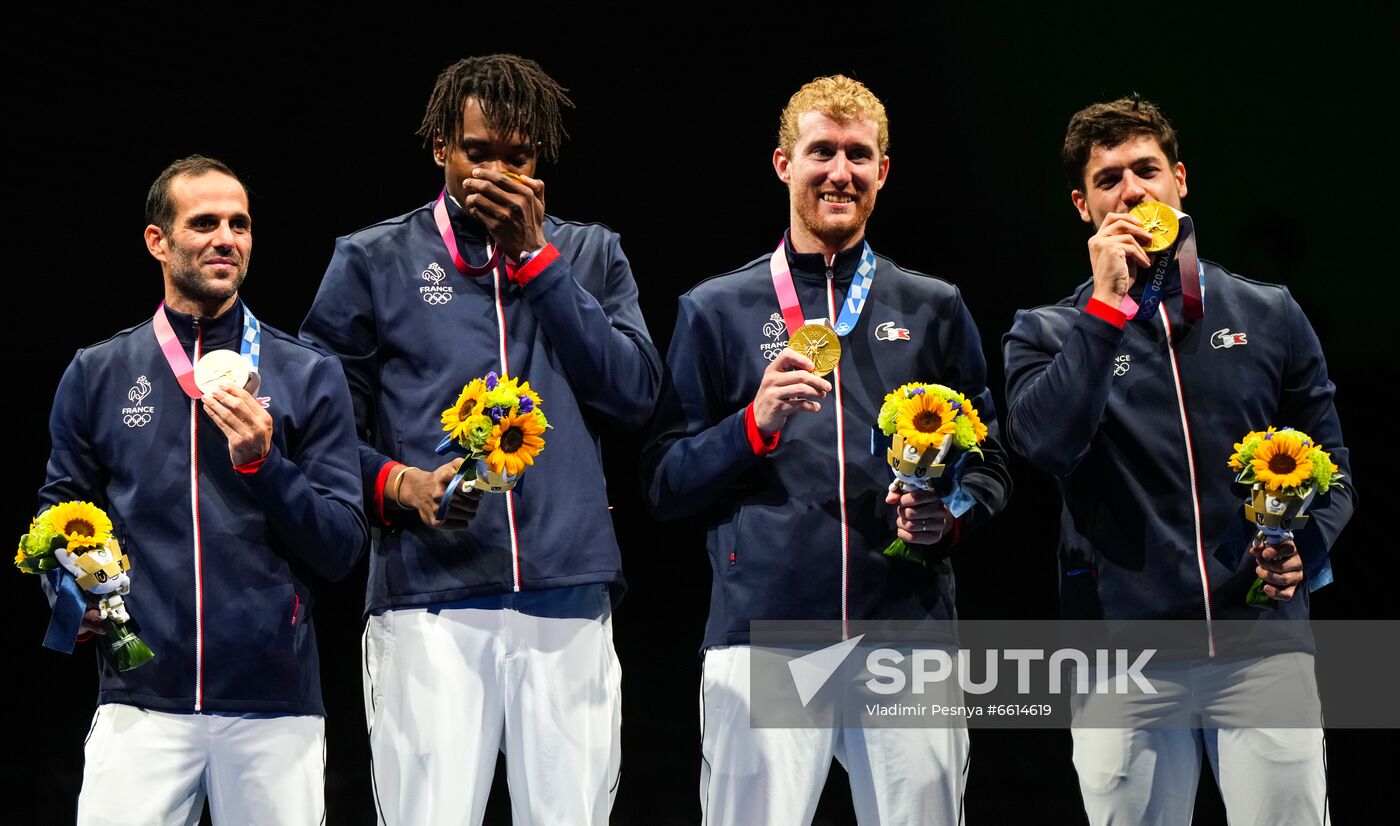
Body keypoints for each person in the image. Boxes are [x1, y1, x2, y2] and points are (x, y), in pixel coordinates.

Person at [300, 54, 660, 825]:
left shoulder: (592, 254)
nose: (497, 172)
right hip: (429, 596)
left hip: (567, 592)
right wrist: (399, 484)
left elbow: (633, 394)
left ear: (543, 159)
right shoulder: (372, 260)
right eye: (479, 152)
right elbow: (319, 431)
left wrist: (538, 260)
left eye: (518, 156)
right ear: (440, 147)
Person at [643, 75, 1010, 825]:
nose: (839, 171)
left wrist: (953, 514)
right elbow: (664, 482)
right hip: (767, 638)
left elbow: (994, 459)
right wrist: (753, 424)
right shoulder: (716, 310)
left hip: (904, 636)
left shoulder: (932, 308)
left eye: (858, 154)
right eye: (821, 152)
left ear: (883, 170)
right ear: (784, 164)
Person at [1002, 96, 1355, 824]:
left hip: (1262, 647)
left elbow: (1335, 467)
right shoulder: (1045, 332)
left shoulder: (1268, 313)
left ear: (1180, 181)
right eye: (1108, 180)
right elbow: (1045, 445)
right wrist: (1103, 314)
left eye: (1146, 170)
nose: (1131, 191)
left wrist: (1308, 549)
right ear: (1083, 205)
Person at [35, 155, 368, 824]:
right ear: (158, 241)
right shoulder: (99, 372)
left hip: (274, 710)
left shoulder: (308, 373)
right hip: (139, 705)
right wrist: (71, 600)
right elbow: (57, 513)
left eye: (239, 224)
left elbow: (341, 548)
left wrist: (262, 463)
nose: (226, 238)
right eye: (205, 222)